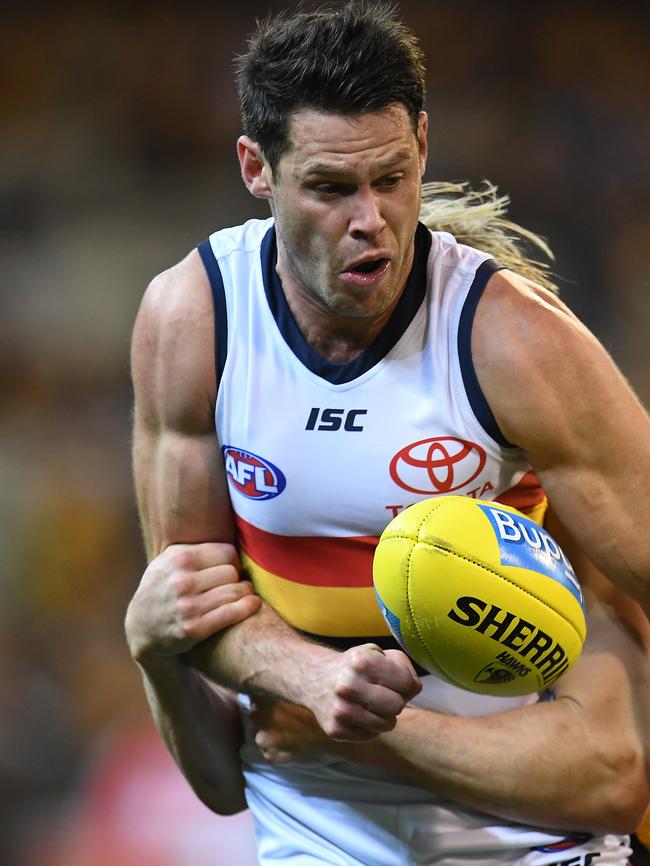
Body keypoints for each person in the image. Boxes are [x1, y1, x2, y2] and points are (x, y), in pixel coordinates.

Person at [125, 2, 650, 864]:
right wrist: (298, 676)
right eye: (331, 188)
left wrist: (360, 725)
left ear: (425, 149)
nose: (370, 219)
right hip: (311, 838)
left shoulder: (513, 343)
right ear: (256, 167)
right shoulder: (197, 322)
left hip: (529, 844)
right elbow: (215, 758)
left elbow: (614, 779)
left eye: (393, 178)